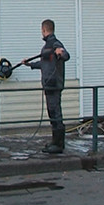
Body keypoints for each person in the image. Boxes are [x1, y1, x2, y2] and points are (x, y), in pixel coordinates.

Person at [22, 19, 70, 154]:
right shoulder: (46, 47)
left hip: (54, 85)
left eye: (41, 30)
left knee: (56, 113)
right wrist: (29, 64)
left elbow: (66, 55)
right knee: (52, 113)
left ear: (44, 30)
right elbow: (44, 64)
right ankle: (55, 141)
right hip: (48, 85)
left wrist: (61, 53)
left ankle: (59, 144)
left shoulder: (55, 44)